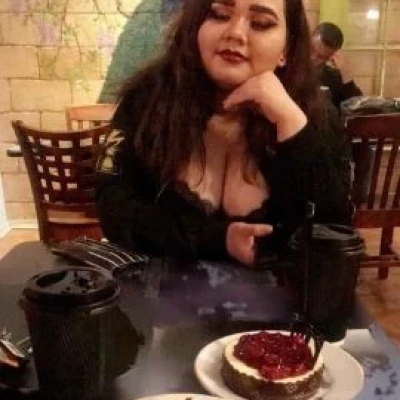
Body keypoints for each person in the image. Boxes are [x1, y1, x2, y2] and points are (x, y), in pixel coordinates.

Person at [96, 0, 353, 267]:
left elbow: (335, 236)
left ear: (286, 49)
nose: (235, 33)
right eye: (219, 15)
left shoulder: (314, 116)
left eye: (261, 23)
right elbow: (114, 208)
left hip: (273, 292)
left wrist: (292, 125)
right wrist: (220, 239)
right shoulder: (147, 99)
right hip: (153, 287)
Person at [311, 22, 362, 111]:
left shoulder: (333, 77)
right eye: (311, 50)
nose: (312, 58)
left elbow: (357, 109)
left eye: (320, 57)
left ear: (330, 57)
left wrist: (345, 73)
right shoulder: (290, 66)